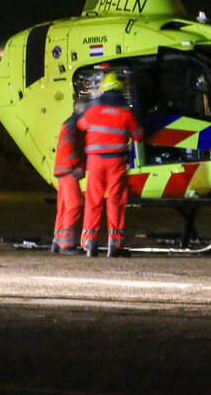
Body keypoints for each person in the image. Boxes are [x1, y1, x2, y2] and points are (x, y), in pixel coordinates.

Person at [77, 72, 143, 257]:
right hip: (116, 162)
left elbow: (81, 124)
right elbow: (138, 136)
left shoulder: (94, 109)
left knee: (93, 201)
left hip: (95, 162)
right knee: (116, 202)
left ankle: (89, 245)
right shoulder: (126, 112)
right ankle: (114, 246)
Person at [51, 102, 86, 255]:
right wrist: (77, 166)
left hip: (62, 169)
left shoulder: (69, 123)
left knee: (64, 207)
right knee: (74, 205)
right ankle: (66, 244)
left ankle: (57, 241)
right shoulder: (75, 125)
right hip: (68, 170)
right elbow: (70, 147)